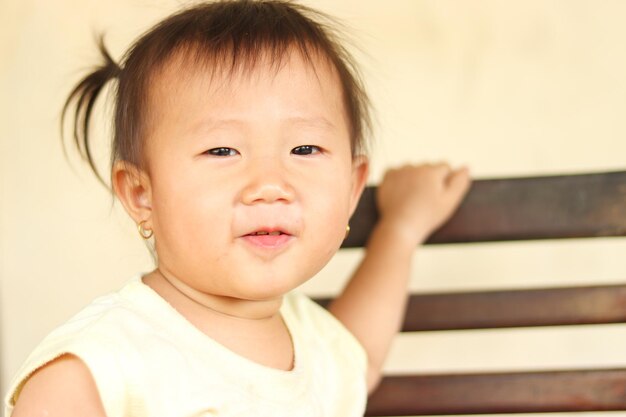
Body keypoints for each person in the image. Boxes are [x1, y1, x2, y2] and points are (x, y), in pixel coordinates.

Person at [5, 1, 471, 416]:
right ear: (141, 195)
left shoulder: (315, 347)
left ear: (352, 188)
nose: (270, 185)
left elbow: (360, 358)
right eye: (223, 151)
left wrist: (402, 229)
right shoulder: (100, 367)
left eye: (305, 148)